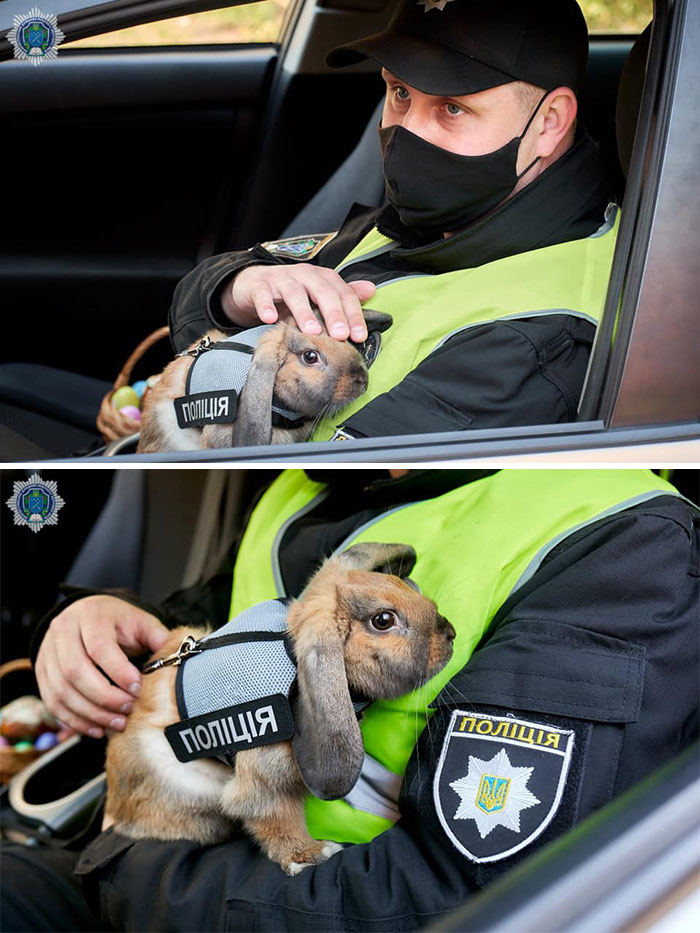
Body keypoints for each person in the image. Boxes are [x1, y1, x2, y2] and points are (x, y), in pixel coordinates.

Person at [2, 468, 698, 931]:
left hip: (248, 894)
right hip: (155, 844)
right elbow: (219, 618)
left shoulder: (614, 544)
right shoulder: (308, 478)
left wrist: (136, 875)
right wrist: (103, 618)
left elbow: (449, 896)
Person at [170, 0, 617, 441]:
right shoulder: (423, 222)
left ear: (549, 122)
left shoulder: (540, 334)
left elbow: (338, 473)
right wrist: (240, 292)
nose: (408, 131)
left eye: (452, 107)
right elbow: (193, 306)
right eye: (401, 93)